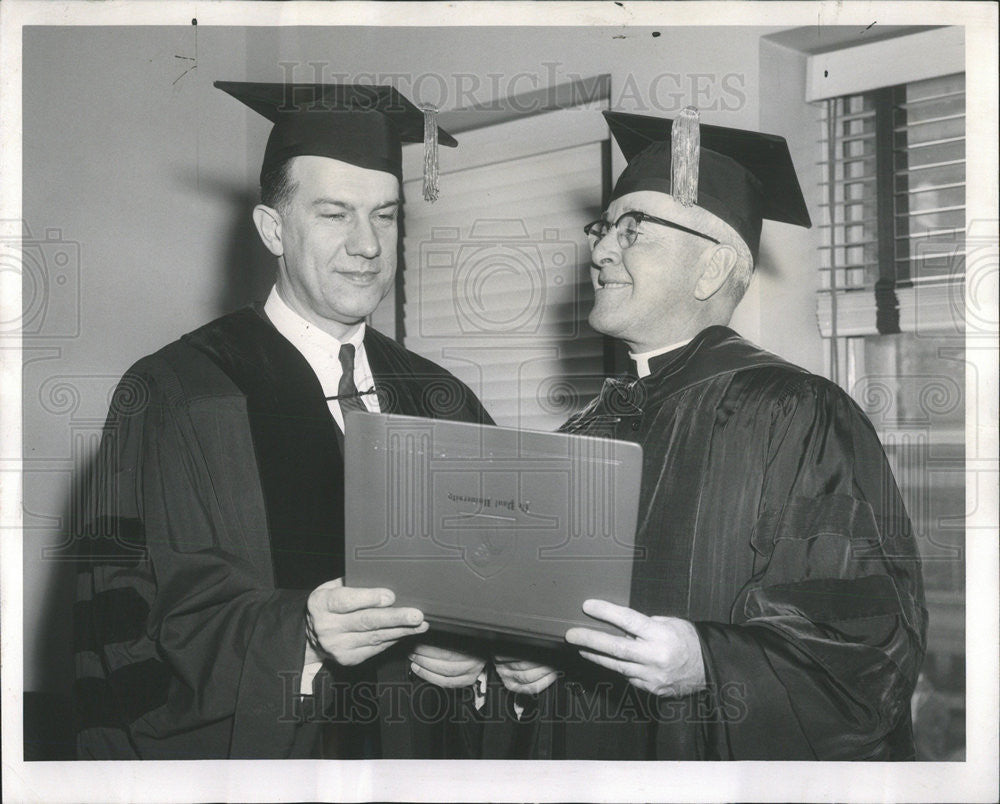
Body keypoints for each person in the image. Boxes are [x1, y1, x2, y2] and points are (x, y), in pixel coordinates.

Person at [486, 109, 927, 760]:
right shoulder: (582, 431)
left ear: (711, 269)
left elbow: (871, 648)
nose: (602, 249)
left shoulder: (800, 415)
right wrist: (543, 665)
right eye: (605, 227)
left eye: (633, 229)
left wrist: (708, 663)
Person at [73, 82, 492, 759]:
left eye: (384, 216)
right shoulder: (176, 395)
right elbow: (132, 625)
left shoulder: (442, 399)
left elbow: (496, 587)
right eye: (334, 214)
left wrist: (480, 659)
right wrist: (300, 630)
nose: (366, 245)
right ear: (274, 228)